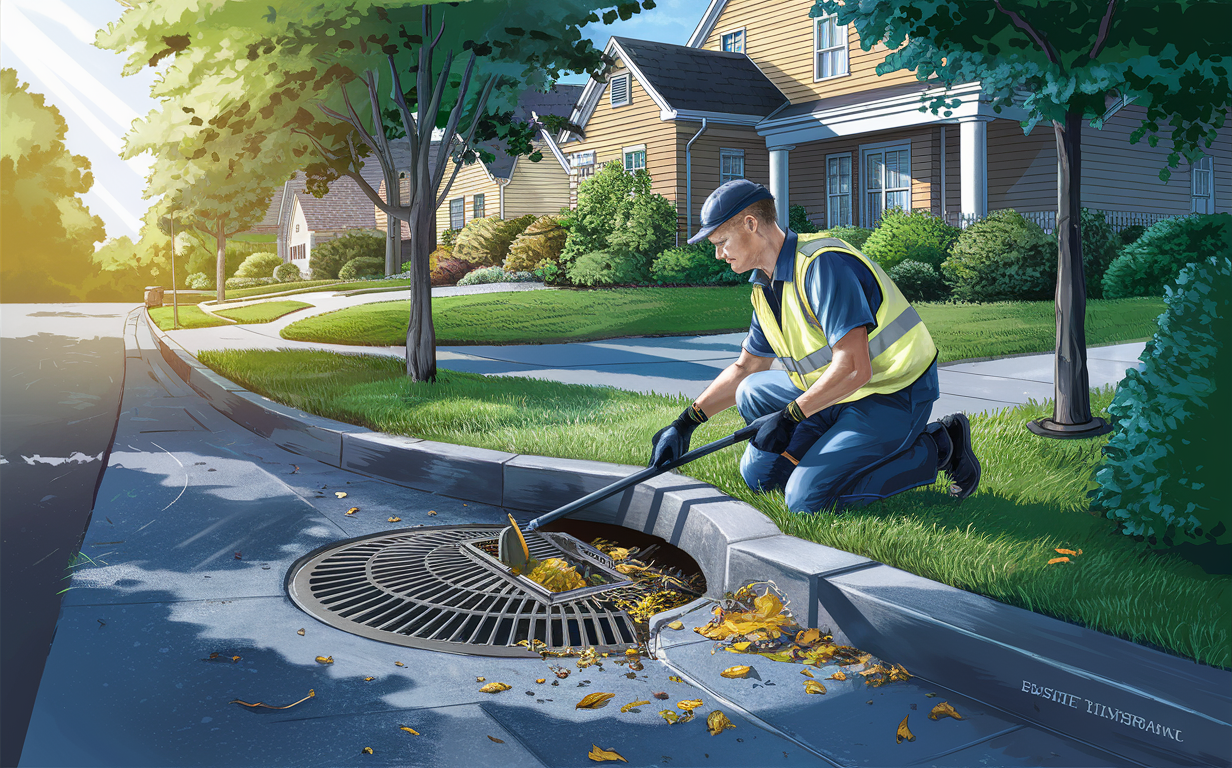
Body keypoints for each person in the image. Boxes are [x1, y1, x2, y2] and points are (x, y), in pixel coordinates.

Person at [650, 179, 980, 513]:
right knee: (759, 466)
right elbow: (747, 367)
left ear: (751, 224)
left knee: (805, 500)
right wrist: (685, 423)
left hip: (890, 394)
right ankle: (828, 452)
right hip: (835, 394)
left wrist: (791, 416)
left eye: (721, 241)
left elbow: (854, 367)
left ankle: (936, 447)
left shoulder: (823, 266)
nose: (718, 254)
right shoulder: (764, 287)